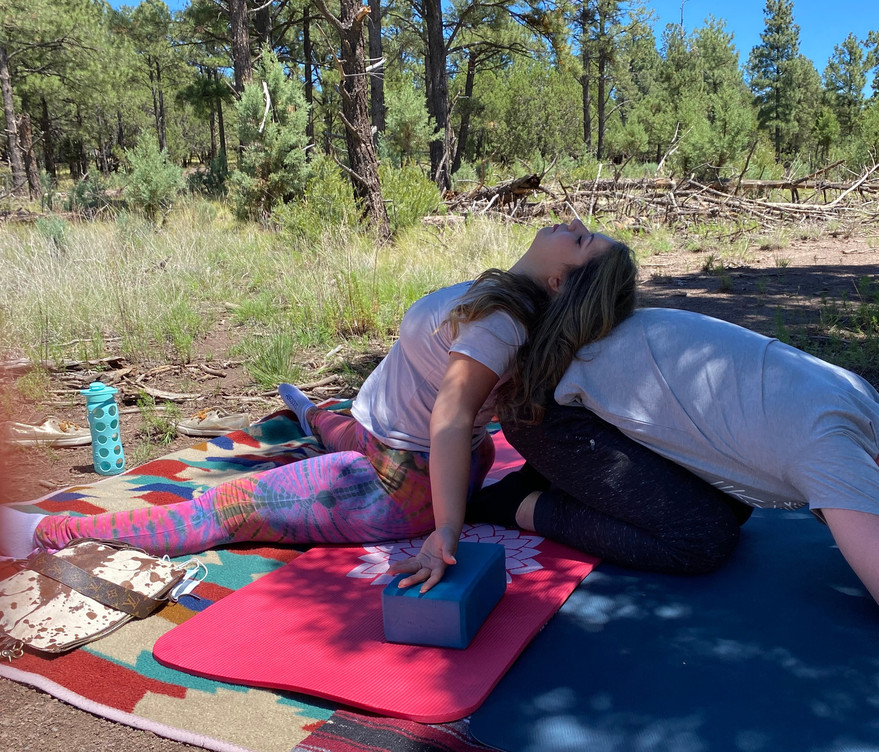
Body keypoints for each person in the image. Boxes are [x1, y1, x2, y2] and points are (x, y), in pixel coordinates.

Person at [0, 220, 639, 595]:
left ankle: (38, 534)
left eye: (583, 242)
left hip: (402, 483)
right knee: (336, 423)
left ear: (559, 283)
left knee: (226, 507)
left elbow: (449, 421)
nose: (576, 226)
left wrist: (445, 532)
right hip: (395, 442)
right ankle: (309, 414)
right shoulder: (505, 302)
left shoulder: (499, 324)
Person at [470, 307, 879, 643]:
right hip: (544, 410)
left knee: (734, 504)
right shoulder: (836, 454)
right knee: (702, 537)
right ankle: (515, 503)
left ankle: (557, 479)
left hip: (572, 374)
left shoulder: (863, 403)